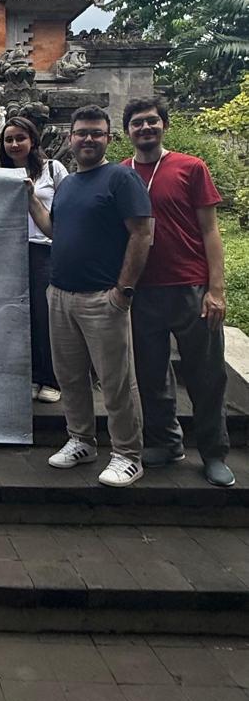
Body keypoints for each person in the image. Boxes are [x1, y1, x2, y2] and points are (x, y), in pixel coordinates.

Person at [28, 104, 153, 487]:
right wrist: (30, 198)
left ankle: (127, 454)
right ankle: (81, 439)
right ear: (70, 138)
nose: (88, 139)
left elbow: (142, 234)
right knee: (70, 377)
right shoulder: (67, 185)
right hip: (61, 294)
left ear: (108, 138)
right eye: (81, 132)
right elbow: (54, 230)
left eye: (96, 133)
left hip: (103, 297)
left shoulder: (121, 178)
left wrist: (123, 291)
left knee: (116, 382)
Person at [124, 96, 234, 488]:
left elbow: (210, 230)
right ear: (127, 131)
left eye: (151, 121)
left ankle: (214, 453)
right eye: (137, 123)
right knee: (151, 374)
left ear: (164, 125)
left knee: (206, 375)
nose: (145, 128)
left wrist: (216, 289)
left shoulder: (190, 167)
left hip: (191, 287)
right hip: (142, 290)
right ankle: (166, 442)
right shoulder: (121, 174)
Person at [0, 116, 67, 403]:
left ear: (33, 140)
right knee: (17, 317)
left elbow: (67, 208)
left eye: (20, 138)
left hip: (43, 248)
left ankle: (50, 378)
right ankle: (29, 375)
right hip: (8, 252)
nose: (14, 144)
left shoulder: (53, 169)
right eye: (9, 140)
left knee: (44, 315)